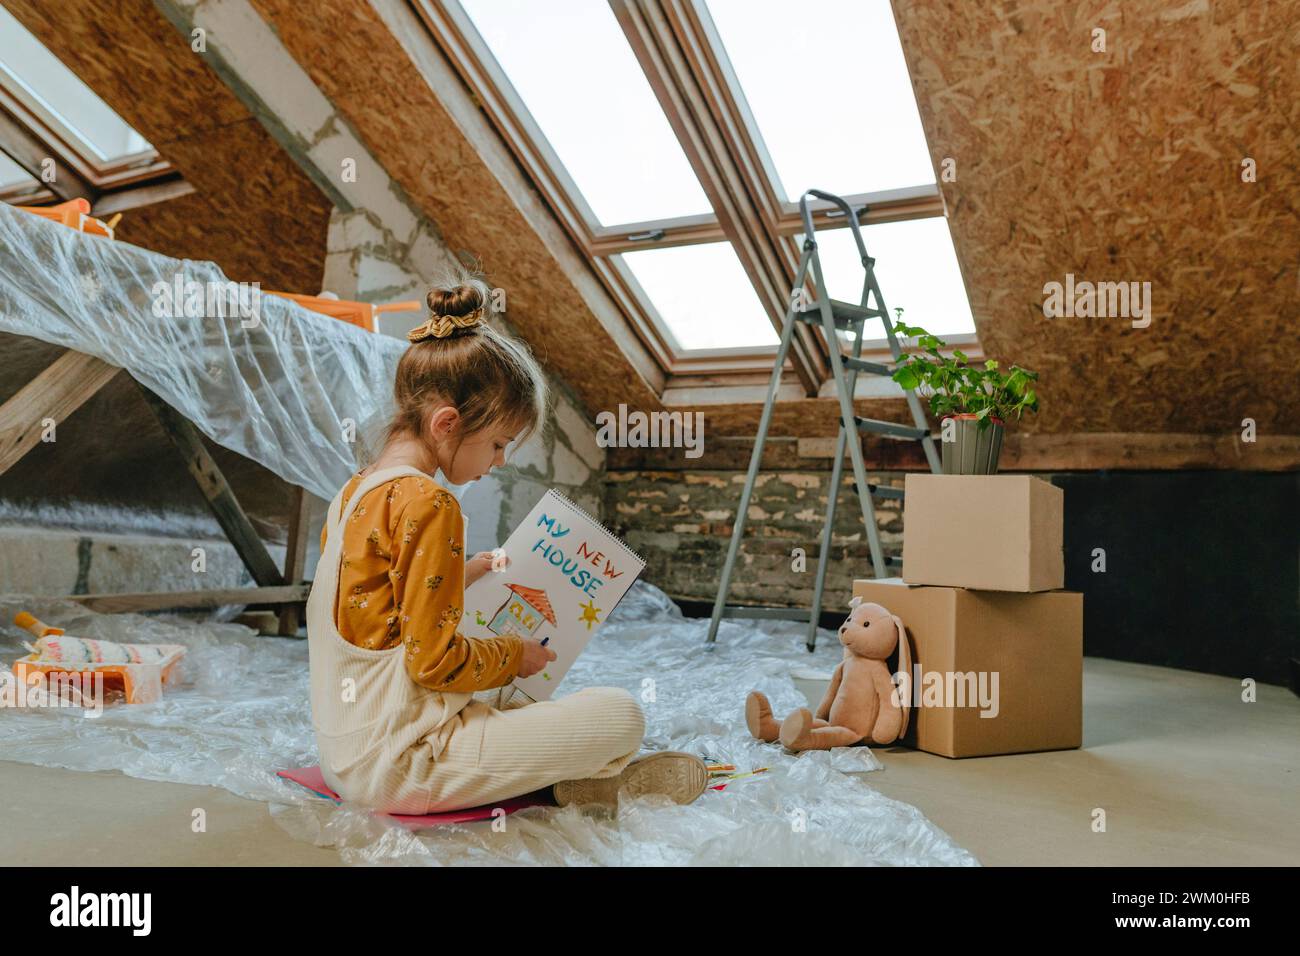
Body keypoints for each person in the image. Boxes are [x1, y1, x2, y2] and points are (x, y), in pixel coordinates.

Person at [306, 266, 708, 813]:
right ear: (446, 424)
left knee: (510, 692)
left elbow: (377, 613)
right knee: (620, 714)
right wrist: (511, 654)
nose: (497, 462)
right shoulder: (431, 503)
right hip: (403, 766)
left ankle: (563, 771)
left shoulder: (354, 492)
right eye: (498, 444)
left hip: (347, 755)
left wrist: (461, 574)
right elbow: (435, 665)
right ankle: (594, 774)